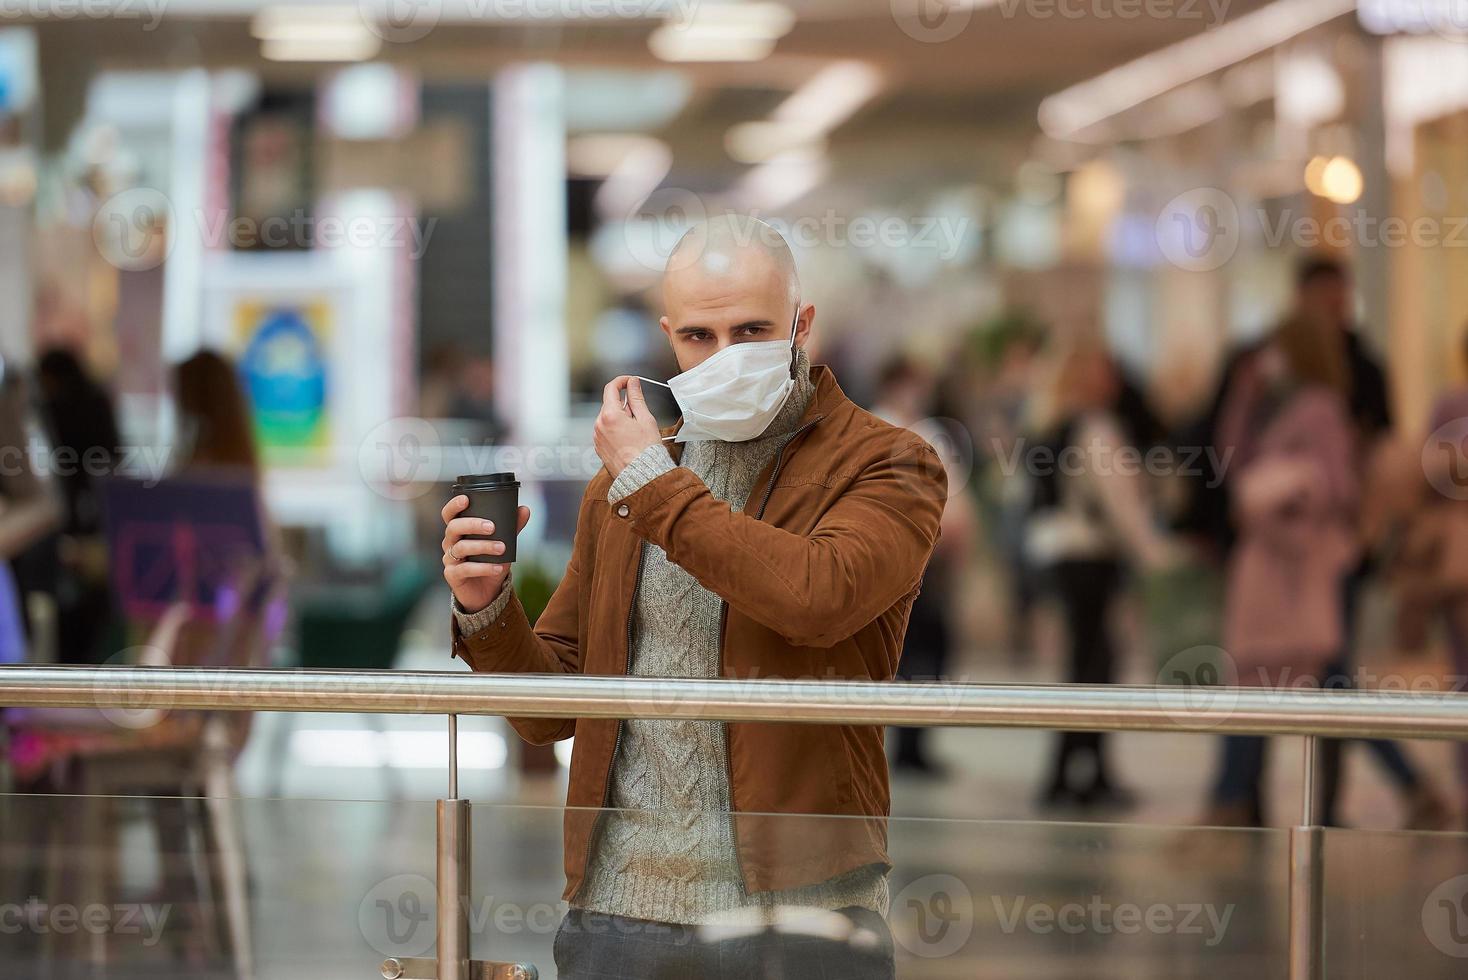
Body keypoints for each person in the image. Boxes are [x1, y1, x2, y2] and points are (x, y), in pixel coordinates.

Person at [441, 215, 946, 980]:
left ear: (801, 325)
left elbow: (814, 598)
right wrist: (487, 607)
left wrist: (653, 485)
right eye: (699, 337)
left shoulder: (888, 463)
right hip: (618, 909)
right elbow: (550, 707)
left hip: (802, 908)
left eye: (752, 330)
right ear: (669, 337)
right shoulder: (628, 482)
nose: (724, 357)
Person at [1025, 339, 1172, 810]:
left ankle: (1077, 773)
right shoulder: (1095, 427)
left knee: (1084, 666)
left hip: (1060, 555)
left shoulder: (1049, 422)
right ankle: (1077, 776)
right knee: (1096, 668)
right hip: (1092, 556)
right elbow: (1121, 503)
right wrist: (1155, 555)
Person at [870, 356, 975, 776]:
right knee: (905, 647)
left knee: (934, 649)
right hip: (896, 556)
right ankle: (899, 741)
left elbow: (954, 492)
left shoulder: (932, 431)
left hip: (936, 558)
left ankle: (918, 741)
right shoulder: (877, 427)